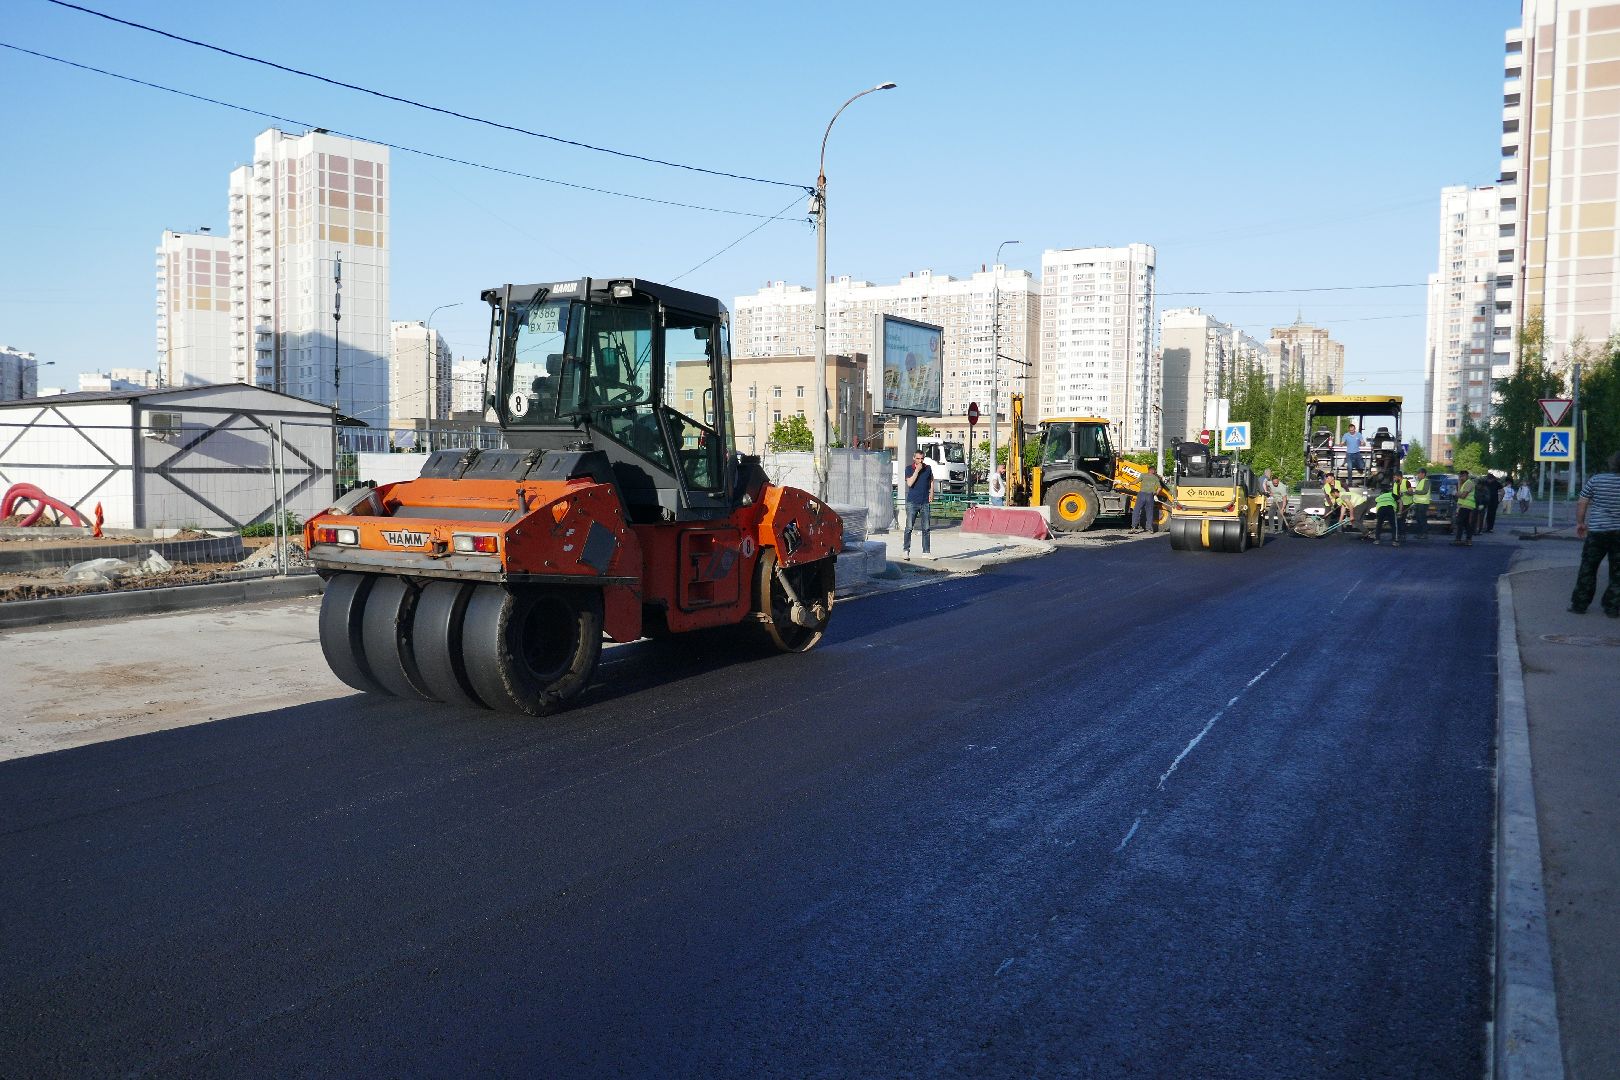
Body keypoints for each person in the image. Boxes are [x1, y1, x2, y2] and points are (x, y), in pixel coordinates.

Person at [1568, 450, 1620, 617]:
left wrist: (1580, 523)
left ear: (1612, 462)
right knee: (1618, 572)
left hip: (1597, 532)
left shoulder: (1597, 480)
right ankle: (1613, 607)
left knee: (1588, 568)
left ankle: (1580, 604)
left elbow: (1582, 502)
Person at [901, 449, 934, 559]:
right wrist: (917, 471)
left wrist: (932, 492)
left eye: (922, 458)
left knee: (926, 528)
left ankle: (926, 552)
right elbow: (910, 483)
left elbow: (931, 481)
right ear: (914, 458)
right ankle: (906, 550)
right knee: (909, 527)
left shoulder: (928, 468)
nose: (920, 461)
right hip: (912, 502)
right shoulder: (909, 469)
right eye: (918, 458)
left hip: (925, 502)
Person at [1132, 468, 1163, 533]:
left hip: (1141, 495)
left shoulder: (1143, 475)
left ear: (1148, 470)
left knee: (1136, 510)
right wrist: (1155, 494)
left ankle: (1134, 527)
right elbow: (1159, 488)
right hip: (1150, 496)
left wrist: (1129, 483)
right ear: (1154, 471)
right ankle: (1149, 529)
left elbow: (1136, 482)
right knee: (1149, 512)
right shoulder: (1155, 478)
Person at [1372, 481, 1400, 546]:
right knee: (1393, 525)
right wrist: (1399, 511)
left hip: (1381, 510)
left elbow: (1377, 505)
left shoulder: (1378, 498)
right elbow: (1400, 501)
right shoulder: (1391, 494)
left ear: (1382, 493)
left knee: (1379, 524)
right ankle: (1394, 541)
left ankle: (1377, 540)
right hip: (1390, 509)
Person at [1453, 469, 1477, 546]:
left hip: (1466, 505)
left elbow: (1463, 495)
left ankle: (1458, 540)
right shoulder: (1465, 483)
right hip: (1465, 505)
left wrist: (1456, 494)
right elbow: (1460, 492)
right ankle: (1468, 540)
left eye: (1462, 476)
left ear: (1466, 476)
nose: (1460, 478)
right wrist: (1459, 483)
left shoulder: (1469, 483)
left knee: (1460, 522)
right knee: (1466, 524)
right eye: (1460, 477)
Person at [1409, 468, 1432, 540]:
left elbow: (1424, 491)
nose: (1417, 475)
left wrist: (1414, 492)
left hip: (1423, 503)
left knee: (1422, 519)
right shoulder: (1421, 481)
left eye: (1418, 473)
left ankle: (1424, 533)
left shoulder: (1426, 481)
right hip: (1419, 503)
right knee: (1419, 519)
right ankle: (1421, 534)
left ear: (1423, 474)